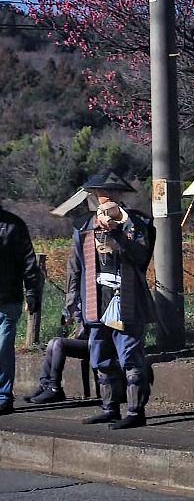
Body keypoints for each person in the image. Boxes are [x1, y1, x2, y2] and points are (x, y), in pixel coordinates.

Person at [73, 171, 156, 429]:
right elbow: (75, 268)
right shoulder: (84, 226)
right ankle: (109, 407)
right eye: (100, 194)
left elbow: (142, 257)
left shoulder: (138, 224)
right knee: (101, 357)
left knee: (131, 358)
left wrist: (118, 233)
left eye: (111, 194)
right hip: (95, 299)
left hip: (125, 299)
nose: (105, 199)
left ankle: (135, 411)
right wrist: (73, 305)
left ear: (121, 196)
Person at [25, 246, 89, 404]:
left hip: (97, 342)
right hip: (86, 338)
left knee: (59, 343)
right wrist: (71, 313)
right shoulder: (82, 297)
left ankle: (55, 388)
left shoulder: (95, 301)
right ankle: (45, 384)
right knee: (53, 342)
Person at [0, 204, 40, 415]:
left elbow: (28, 261)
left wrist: (32, 292)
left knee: (3, 348)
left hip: (7, 299)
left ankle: (3, 396)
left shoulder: (13, 225)